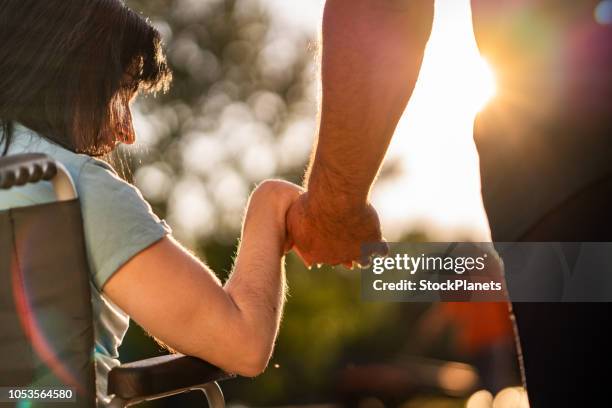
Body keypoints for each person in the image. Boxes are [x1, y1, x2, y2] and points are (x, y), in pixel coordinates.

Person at [287, 0, 612, 406]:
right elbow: (446, 312)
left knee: (505, 383)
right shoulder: (467, 282)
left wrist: (336, 206)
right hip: (571, 172)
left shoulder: (477, 275)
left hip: (573, 164)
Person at [0, 1, 301, 405]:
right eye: (121, 93)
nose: (127, 132)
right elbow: (243, 344)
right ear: (75, 76)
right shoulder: (66, 184)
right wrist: (272, 202)